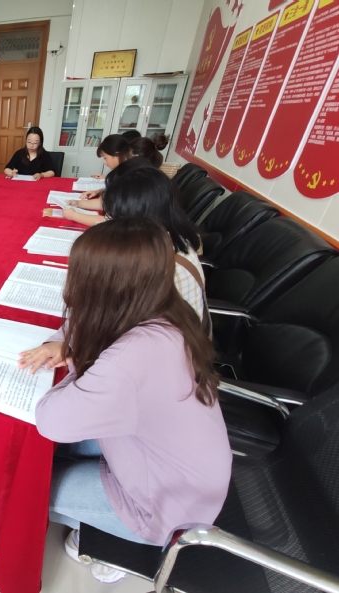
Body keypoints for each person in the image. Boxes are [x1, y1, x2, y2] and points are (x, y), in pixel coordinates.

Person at [18, 217, 231, 584]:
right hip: (174, 465)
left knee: (28, 486)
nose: (71, 283)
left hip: (166, 505)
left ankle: (125, 542)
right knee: (51, 454)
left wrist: (75, 361)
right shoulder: (162, 310)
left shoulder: (132, 359)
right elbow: (87, 324)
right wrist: (63, 343)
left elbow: (51, 420)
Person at [102, 162, 207, 321]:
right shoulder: (171, 239)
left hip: (166, 333)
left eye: (114, 217)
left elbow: (120, 316)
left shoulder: (159, 267)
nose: (109, 222)